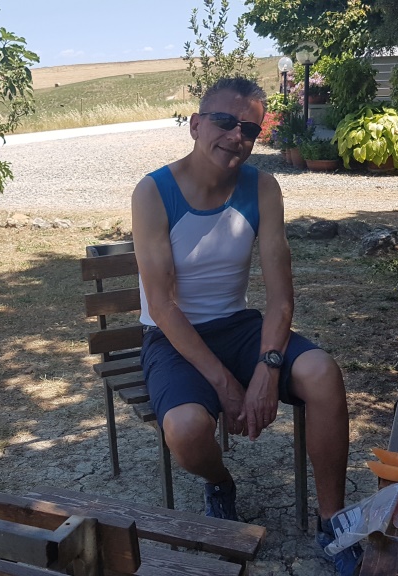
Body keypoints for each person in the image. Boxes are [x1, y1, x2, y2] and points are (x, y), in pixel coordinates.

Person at [130, 76, 362, 575]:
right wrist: (225, 383)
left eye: (250, 129)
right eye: (224, 122)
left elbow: (280, 297)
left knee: (323, 373)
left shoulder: (262, 188)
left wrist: (267, 368)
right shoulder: (154, 192)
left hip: (239, 327)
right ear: (196, 125)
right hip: (173, 339)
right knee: (187, 431)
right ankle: (220, 482)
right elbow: (163, 306)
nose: (237, 136)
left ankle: (332, 521)